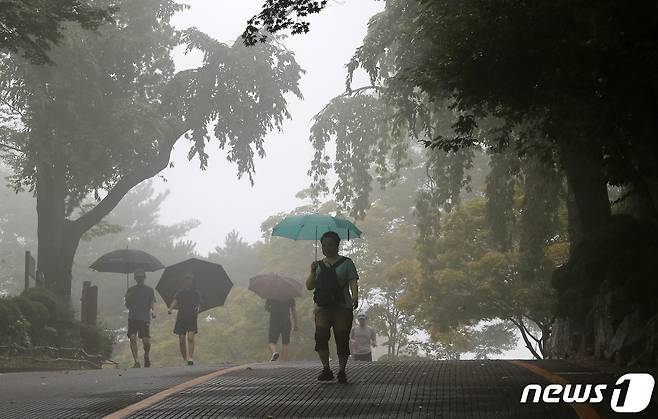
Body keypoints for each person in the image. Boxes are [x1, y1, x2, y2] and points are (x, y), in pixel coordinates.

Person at [306, 230, 359, 384]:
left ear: (337, 245)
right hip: (322, 307)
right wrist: (312, 271)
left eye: (330, 245)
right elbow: (309, 286)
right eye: (324, 245)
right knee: (321, 336)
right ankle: (326, 368)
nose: (326, 248)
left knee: (342, 337)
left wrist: (355, 296)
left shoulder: (347, 263)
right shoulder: (318, 265)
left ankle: (342, 370)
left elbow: (353, 280)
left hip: (342, 306)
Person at [124, 268, 156, 368]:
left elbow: (152, 302)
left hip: (144, 318)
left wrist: (153, 311)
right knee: (133, 338)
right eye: (138, 277)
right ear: (135, 278)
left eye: (141, 277)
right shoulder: (131, 290)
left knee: (146, 342)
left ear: (144, 278)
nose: (139, 279)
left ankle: (146, 355)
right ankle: (136, 361)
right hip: (133, 317)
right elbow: (127, 305)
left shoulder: (149, 290)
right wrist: (128, 298)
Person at [168, 273, 201, 366]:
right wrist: (170, 308)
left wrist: (197, 309)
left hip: (192, 317)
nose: (188, 282)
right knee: (182, 340)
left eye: (190, 280)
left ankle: (190, 357)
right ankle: (185, 359)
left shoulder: (196, 293)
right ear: (184, 282)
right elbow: (175, 301)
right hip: (181, 318)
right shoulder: (180, 292)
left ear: (192, 282)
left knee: (190, 337)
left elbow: (198, 304)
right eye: (186, 280)